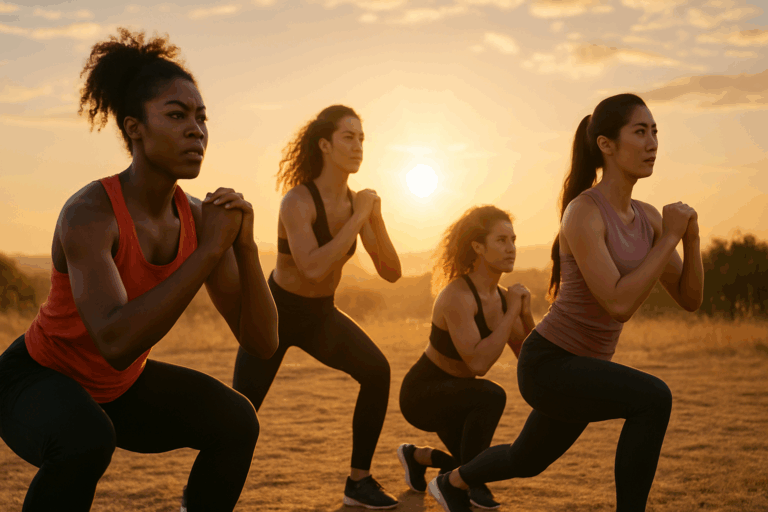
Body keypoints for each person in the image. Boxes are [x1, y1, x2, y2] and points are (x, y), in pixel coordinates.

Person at [0, 29, 279, 512]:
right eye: (176, 115)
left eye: (201, 117)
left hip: (119, 389)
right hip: (35, 381)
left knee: (237, 421)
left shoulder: (196, 219)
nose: (196, 130)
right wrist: (208, 253)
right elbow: (115, 342)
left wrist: (246, 247)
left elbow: (262, 343)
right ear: (134, 128)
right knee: (86, 438)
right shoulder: (90, 213)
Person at [427, 93, 704, 512]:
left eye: (655, 132)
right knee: (653, 398)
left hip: (584, 366)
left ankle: (452, 482)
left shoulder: (648, 217)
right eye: (640, 132)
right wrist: (669, 239)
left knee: (527, 459)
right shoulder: (584, 213)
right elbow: (617, 304)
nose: (652, 144)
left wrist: (691, 238)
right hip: (549, 365)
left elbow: (689, 298)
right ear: (606, 145)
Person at [232, 105, 402, 509]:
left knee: (377, 372)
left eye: (362, 138)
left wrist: (374, 219)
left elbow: (392, 272)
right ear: (324, 145)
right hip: (275, 314)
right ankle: (200, 493)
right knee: (240, 411)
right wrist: (359, 216)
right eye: (349, 137)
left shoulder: (357, 204)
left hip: (320, 315)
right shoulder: (297, 202)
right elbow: (311, 268)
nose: (358, 146)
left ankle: (359, 483)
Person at [396, 205, 535, 510]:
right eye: (501, 240)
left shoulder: (502, 297)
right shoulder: (456, 296)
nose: (511, 248)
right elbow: (479, 365)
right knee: (491, 395)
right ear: (477, 247)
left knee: (461, 463)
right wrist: (512, 311)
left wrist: (526, 315)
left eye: (513, 239)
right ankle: (466, 485)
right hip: (423, 394)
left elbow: (531, 358)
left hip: (461, 397)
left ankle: (417, 457)